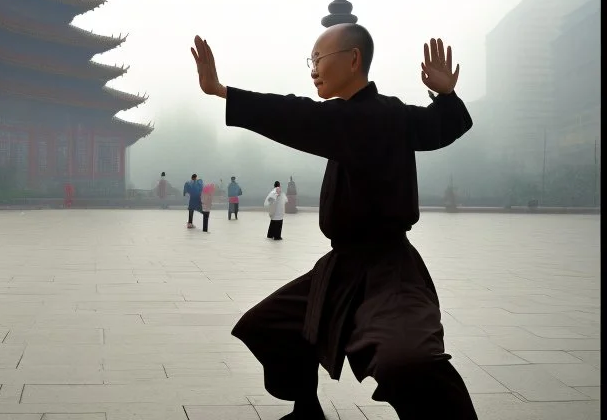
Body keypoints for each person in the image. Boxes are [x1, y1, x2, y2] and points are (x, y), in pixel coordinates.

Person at [191, 24, 477, 420]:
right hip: (341, 267)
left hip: (388, 268)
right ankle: (306, 410)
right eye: (311, 61)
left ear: (353, 59)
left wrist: (224, 92)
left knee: (405, 359)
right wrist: (445, 99)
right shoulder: (376, 117)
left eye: (319, 59)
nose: (313, 69)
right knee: (268, 324)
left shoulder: (376, 116)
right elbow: (440, 124)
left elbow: (295, 114)